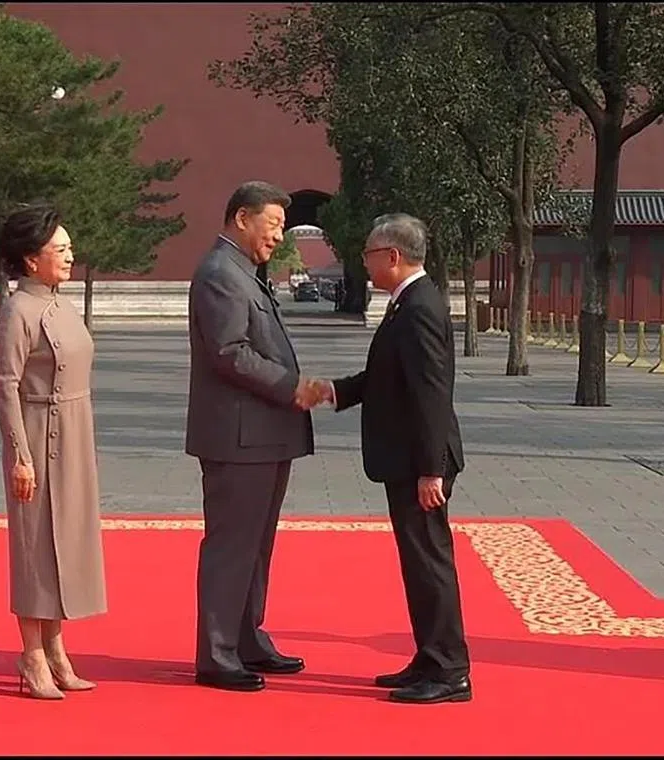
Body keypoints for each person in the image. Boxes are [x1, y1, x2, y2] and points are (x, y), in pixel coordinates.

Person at [310, 213, 471, 704]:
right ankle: (429, 657)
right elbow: (386, 377)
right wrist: (333, 391)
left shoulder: (419, 307)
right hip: (407, 459)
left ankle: (449, 671)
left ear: (393, 257)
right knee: (418, 563)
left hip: (419, 463)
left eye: (369, 255)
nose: (365, 264)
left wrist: (430, 469)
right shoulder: (408, 304)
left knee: (430, 563)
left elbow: (431, 394)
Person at [184, 180, 325, 692]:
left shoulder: (246, 272)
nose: (278, 239)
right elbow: (229, 353)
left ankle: (247, 636)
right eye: (273, 227)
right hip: (238, 437)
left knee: (257, 544)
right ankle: (217, 653)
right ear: (241, 218)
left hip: (263, 435)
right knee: (232, 545)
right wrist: (293, 386)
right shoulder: (221, 273)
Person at [0, 203, 106, 700]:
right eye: (59, 249)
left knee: (68, 542)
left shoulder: (61, 302)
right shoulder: (18, 310)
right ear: (31, 259)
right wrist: (21, 454)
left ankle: (57, 648)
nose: (69, 255)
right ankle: (32, 655)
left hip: (74, 432)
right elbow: (5, 385)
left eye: (69, 247)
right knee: (35, 545)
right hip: (37, 436)